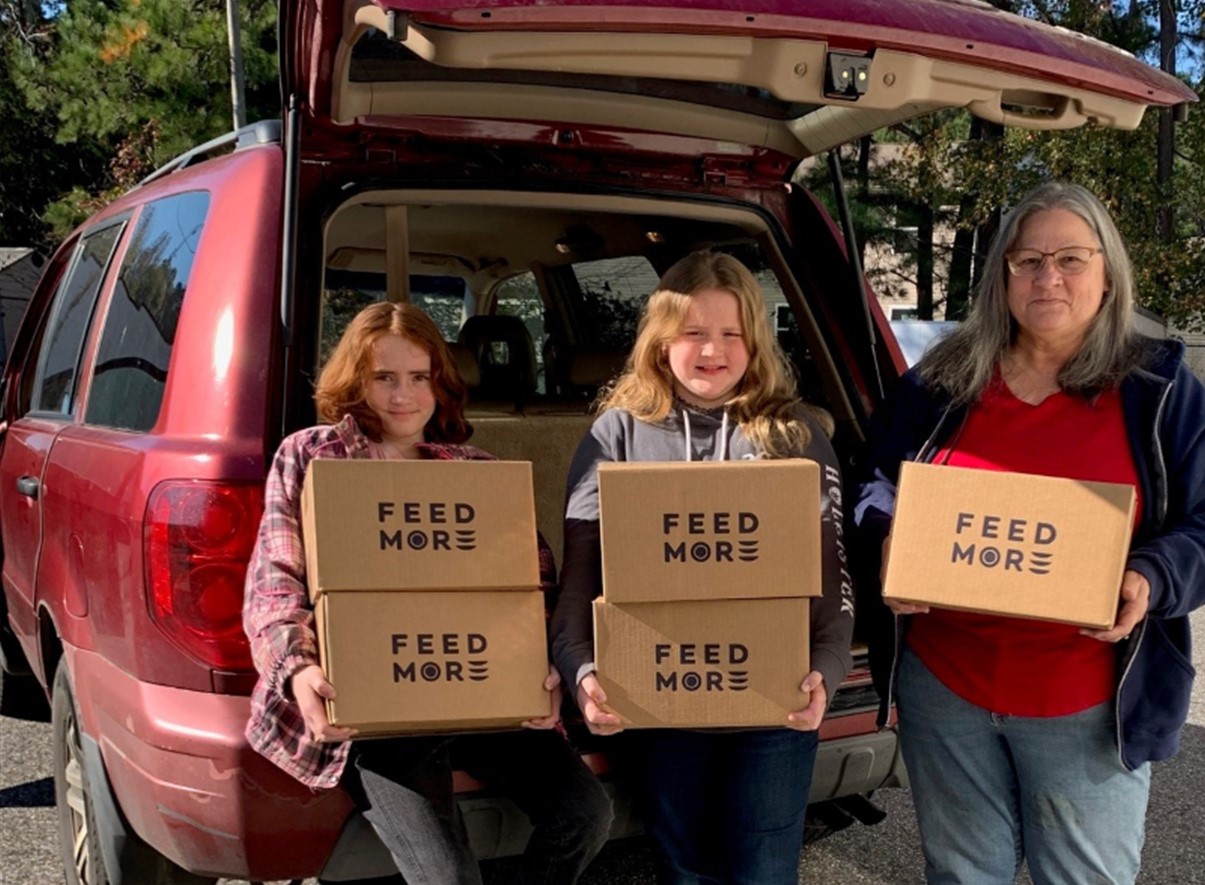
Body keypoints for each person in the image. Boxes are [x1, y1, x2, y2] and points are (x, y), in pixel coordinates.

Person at [853, 182, 1205, 885]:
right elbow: (872, 479)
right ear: (1000, 274)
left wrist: (1153, 575)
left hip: (1086, 698)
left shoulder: (1159, 390)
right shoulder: (944, 381)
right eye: (1028, 259)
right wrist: (888, 538)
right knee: (960, 873)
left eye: (1071, 258)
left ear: (1107, 273)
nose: (1048, 277)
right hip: (946, 688)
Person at [243, 301, 612, 885]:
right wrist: (298, 670)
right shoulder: (311, 458)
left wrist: (543, 669)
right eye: (383, 377)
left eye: (419, 378)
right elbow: (274, 580)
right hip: (375, 709)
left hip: (479, 690)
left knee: (586, 815)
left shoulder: (475, 469)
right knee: (448, 878)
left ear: (441, 383)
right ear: (354, 381)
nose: (401, 395)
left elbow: (531, 585)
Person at [550, 251, 855, 885]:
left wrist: (826, 671)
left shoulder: (794, 435)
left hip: (775, 700)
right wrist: (582, 674)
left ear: (754, 341)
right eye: (693, 332)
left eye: (730, 333)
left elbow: (831, 578)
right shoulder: (617, 436)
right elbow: (580, 581)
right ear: (662, 343)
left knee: (764, 872)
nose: (711, 350)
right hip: (664, 699)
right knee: (683, 870)